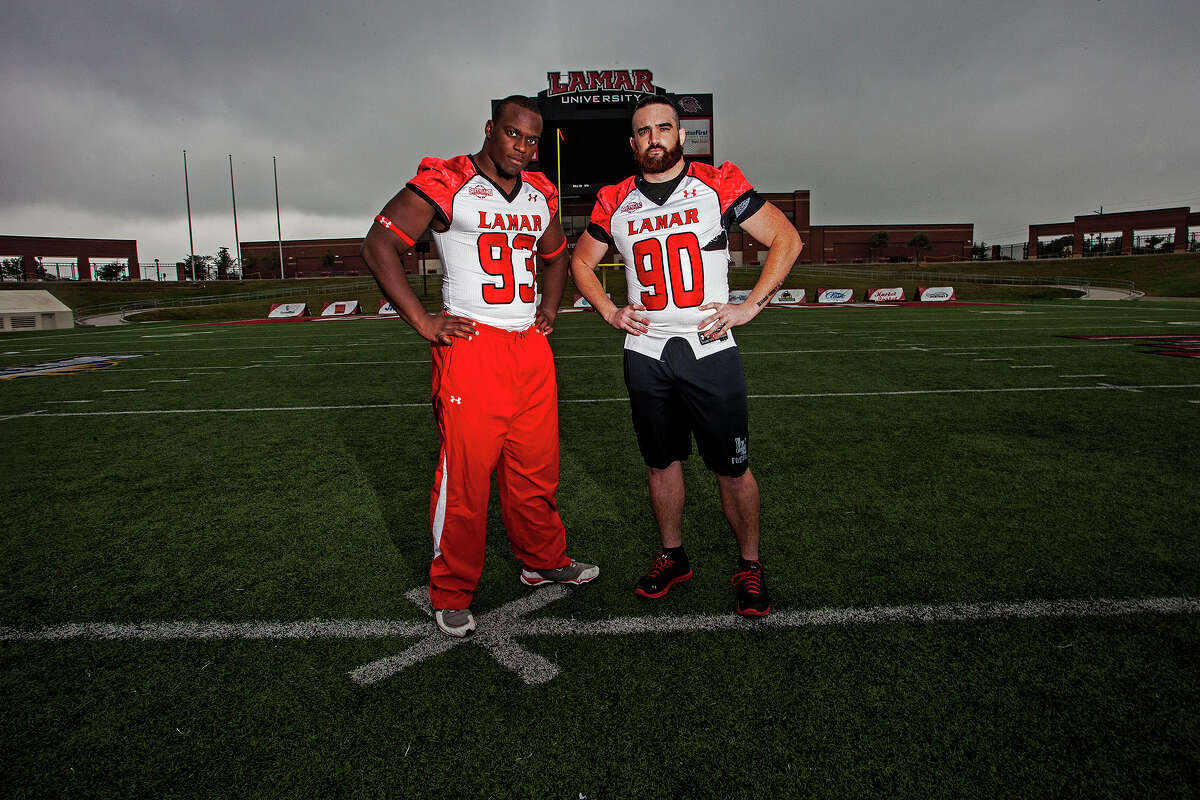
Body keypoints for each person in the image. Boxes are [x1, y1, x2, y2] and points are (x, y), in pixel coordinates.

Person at [362, 95, 598, 638]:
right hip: (473, 342)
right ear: (491, 130)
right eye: (514, 135)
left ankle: (542, 559)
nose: (523, 148)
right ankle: (450, 590)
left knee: (535, 467)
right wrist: (422, 320)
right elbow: (379, 244)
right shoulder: (448, 180)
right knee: (465, 478)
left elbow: (556, 254)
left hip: (529, 348)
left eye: (533, 140)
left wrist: (549, 308)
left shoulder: (541, 192)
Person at [569, 95, 802, 616]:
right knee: (660, 464)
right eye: (643, 131)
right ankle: (673, 555)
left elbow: (785, 239)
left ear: (680, 135)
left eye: (663, 128)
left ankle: (749, 563)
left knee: (733, 468)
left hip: (709, 348)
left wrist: (749, 307)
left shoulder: (717, 184)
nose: (654, 138)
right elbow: (582, 263)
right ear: (632, 143)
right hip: (646, 351)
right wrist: (609, 311)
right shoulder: (614, 199)